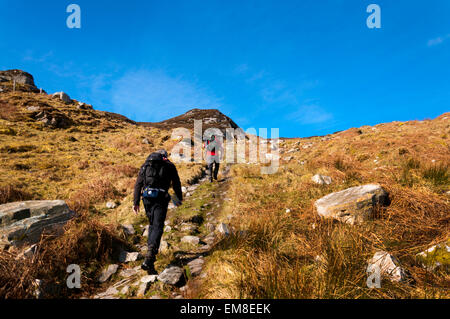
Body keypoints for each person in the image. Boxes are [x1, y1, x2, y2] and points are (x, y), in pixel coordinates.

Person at [133, 149, 183, 274]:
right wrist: (179, 198)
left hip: (146, 199)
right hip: (160, 198)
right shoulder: (169, 165)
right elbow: (176, 183)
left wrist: (135, 202)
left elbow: (138, 184)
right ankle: (150, 254)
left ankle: (150, 261)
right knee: (158, 226)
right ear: (165, 156)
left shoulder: (145, 165)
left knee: (152, 225)